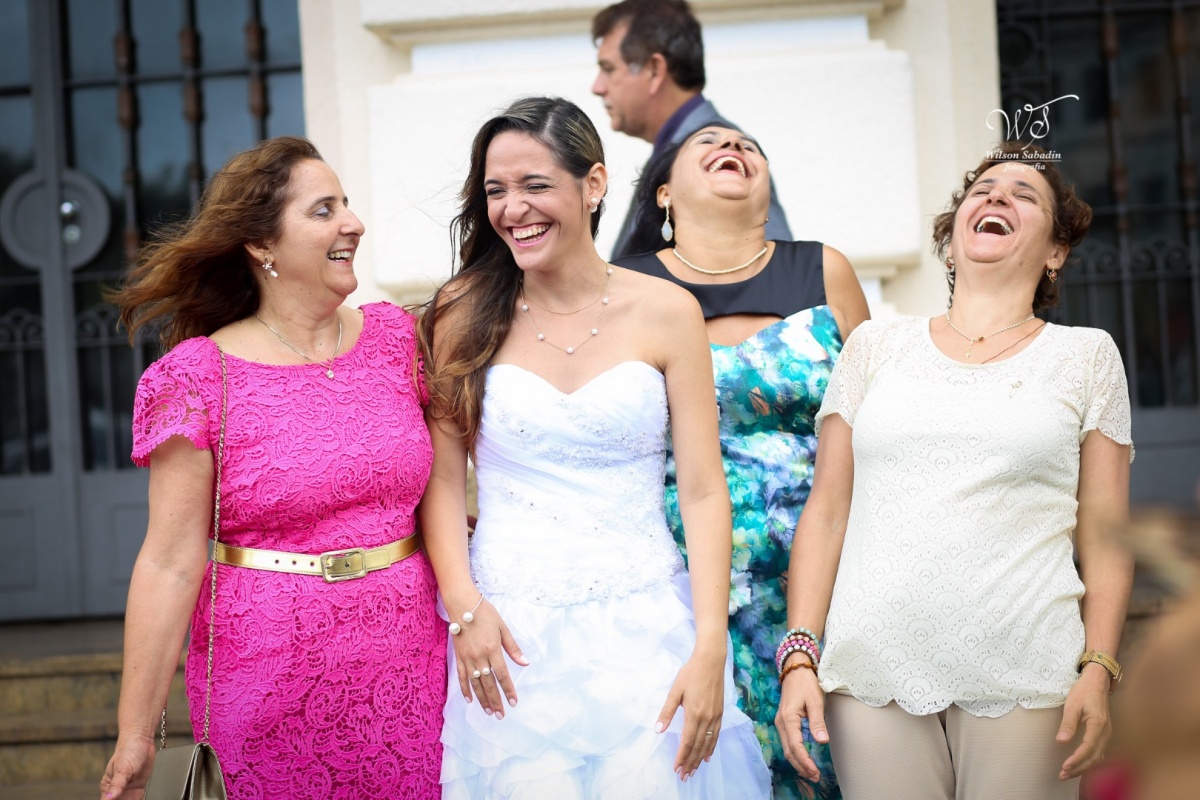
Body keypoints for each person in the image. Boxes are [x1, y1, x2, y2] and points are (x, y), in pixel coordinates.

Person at [417, 96, 771, 799]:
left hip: (647, 631)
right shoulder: (462, 313)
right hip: (508, 638)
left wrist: (709, 644)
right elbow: (444, 481)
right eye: (496, 191)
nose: (513, 208)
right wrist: (464, 609)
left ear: (595, 185)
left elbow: (702, 490)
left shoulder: (668, 311)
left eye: (534, 185)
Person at [775, 142, 1135, 799]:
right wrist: (799, 655)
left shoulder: (1086, 356)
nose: (997, 197)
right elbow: (826, 512)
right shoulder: (874, 346)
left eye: (1024, 195)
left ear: (1056, 251)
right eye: (984, 189)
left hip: (1027, 669)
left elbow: (1108, 537)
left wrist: (1099, 667)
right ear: (950, 241)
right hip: (873, 671)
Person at [98, 137, 445, 800]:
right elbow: (170, 561)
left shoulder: (401, 340)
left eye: (346, 204)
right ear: (262, 246)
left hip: (413, 668)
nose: (353, 223)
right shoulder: (198, 377)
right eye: (324, 210)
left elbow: (446, 487)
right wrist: (136, 730)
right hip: (264, 681)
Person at [615, 125, 869, 800]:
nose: (734, 146)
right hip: (680, 583)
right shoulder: (625, 286)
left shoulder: (825, 270)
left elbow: (877, 423)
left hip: (826, 583)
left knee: (830, 772)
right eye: (709, 142)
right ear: (664, 191)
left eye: (749, 145)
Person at [591, 0, 791, 259]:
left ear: (654, 70)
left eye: (609, 69)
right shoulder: (680, 149)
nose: (598, 87)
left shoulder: (721, 156)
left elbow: (770, 274)